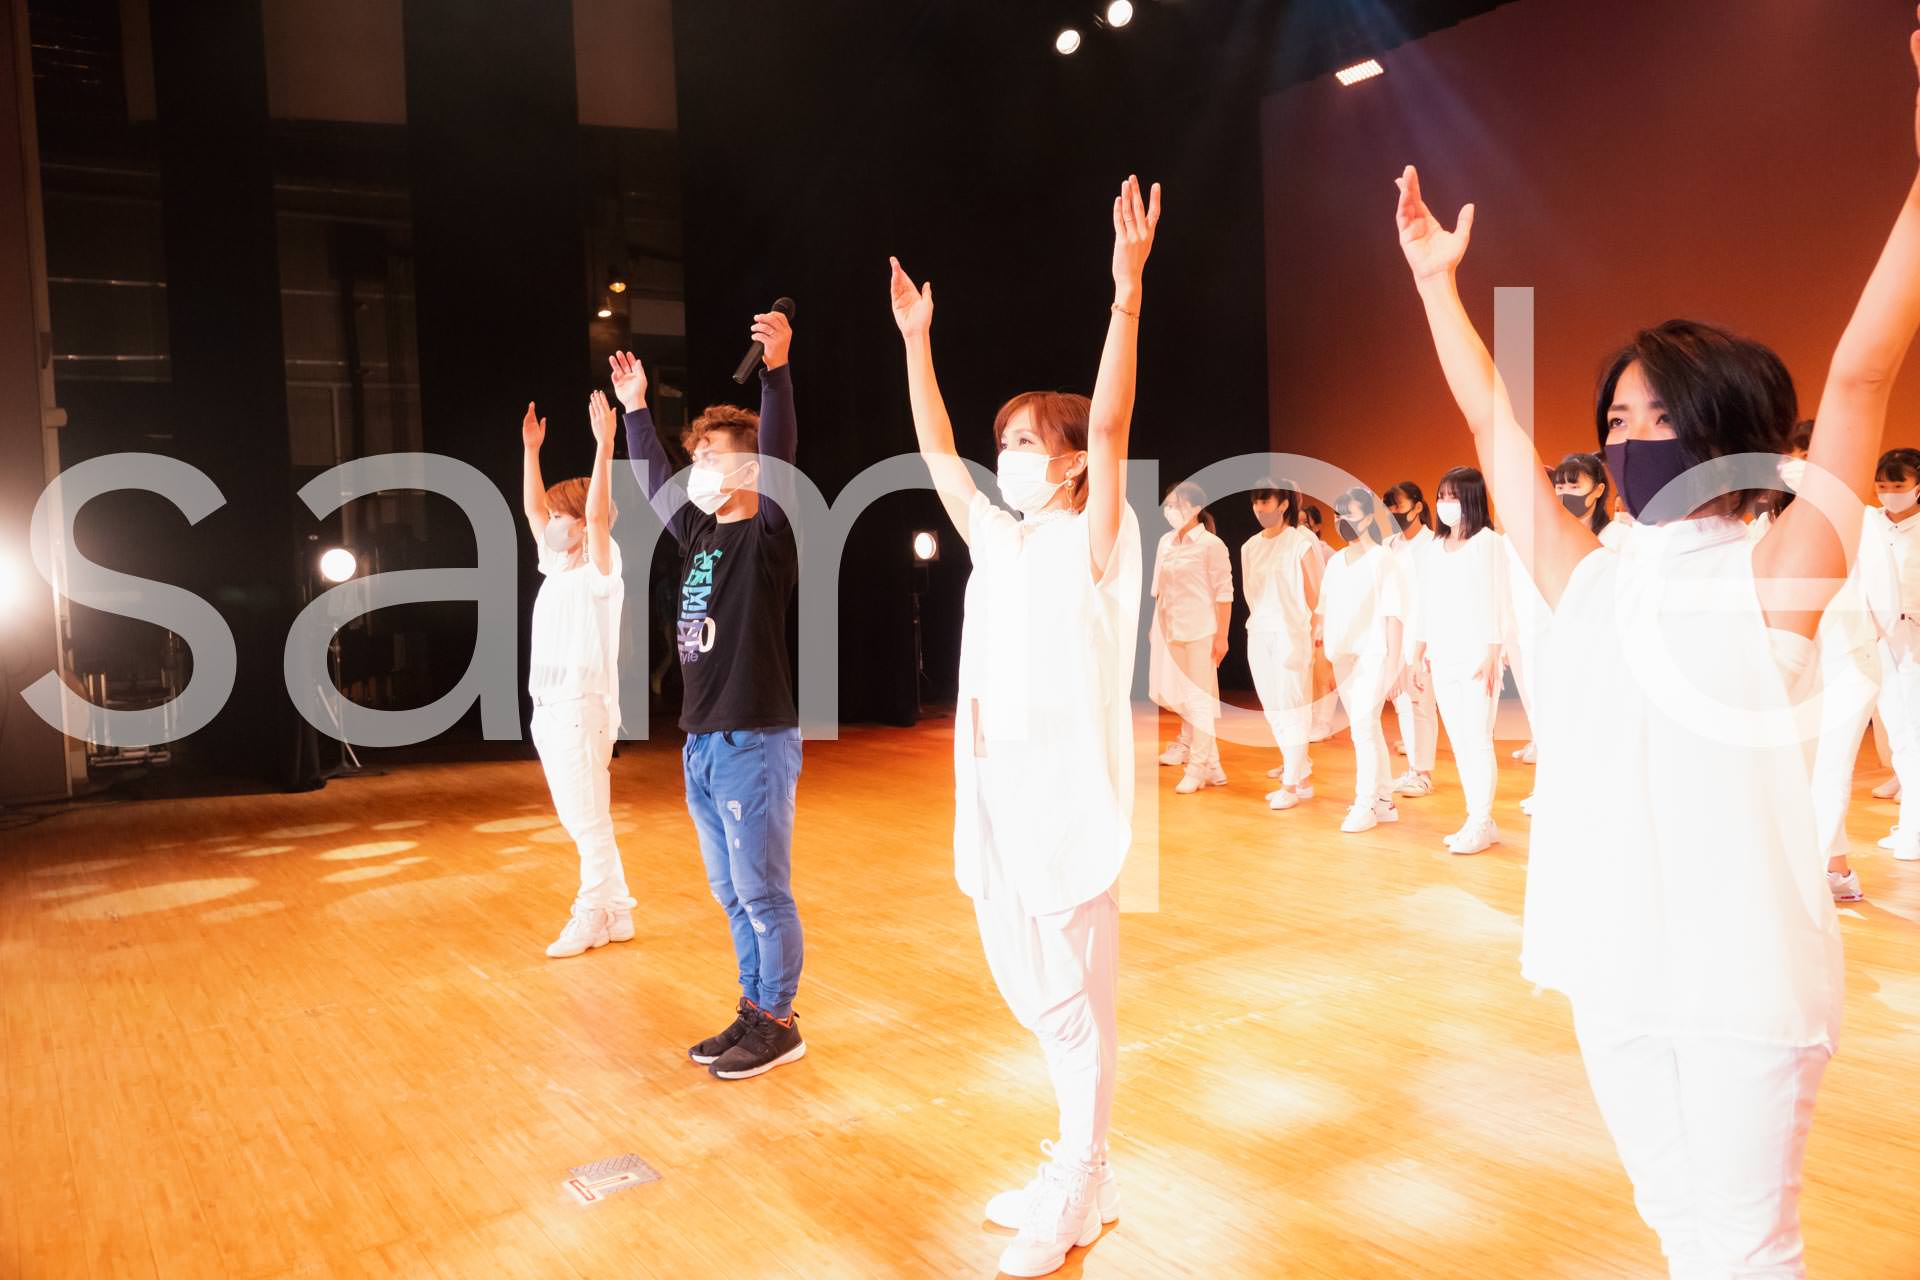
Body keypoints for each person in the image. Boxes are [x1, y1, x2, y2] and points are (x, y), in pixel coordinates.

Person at [1392, 18, 1920, 1265]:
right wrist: (1432, 282)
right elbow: (1493, 421)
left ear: (1724, 428)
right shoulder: (1592, 580)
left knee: (1749, 1247)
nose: (1627, 438)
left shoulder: (1776, 572)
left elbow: (1860, 373)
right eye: (1615, 418)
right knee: (1681, 1230)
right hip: (1611, 963)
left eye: (1655, 415)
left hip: (1743, 981)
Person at [889, 174, 1158, 1279]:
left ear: (1073, 461)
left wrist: (1125, 294)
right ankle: (1085, 1168)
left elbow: (1113, 418)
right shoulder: (998, 538)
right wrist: (918, 343)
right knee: (1032, 988)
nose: (1008, 453)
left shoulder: (1097, 540)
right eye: (1005, 439)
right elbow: (935, 448)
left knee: (1074, 1000)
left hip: (1066, 797)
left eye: (1028, 440)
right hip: (995, 788)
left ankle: (1082, 1175)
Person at [610, 307, 807, 1082]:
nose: (696, 467)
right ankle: (754, 1009)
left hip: (753, 737)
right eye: (694, 456)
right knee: (732, 894)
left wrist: (777, 371)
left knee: (763, 893)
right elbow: (656, 483)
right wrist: (636, 411)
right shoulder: (700, 535)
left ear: (749, 471)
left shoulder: (768, 533)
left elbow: (781, 453)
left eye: (712, 456)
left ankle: (780, 1022)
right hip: (701, 742)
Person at [520, 392, 635, 958]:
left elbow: (594, 515)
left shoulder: (601, 567)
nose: (551, 523)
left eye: (561, 516)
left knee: (585, 819)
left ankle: (591, 913)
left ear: (583, 524)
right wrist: (530, 452)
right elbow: (532, 512)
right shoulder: (557, 567)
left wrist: (605, 448)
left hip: (580, 706)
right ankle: (618, 911)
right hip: (551, 707)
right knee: (584, 817)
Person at [1410, 466, 1505, 853]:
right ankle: (1478, 819)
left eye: (1453, 496)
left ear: (1472, 499)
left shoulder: (1488, 543)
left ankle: (1480, 820)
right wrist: (1417, 652)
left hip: (1477, 656)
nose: (1445, 503)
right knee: (1461, 743)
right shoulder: (1434, 547)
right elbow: (1424, 602)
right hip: (1443, 655)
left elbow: (1497, 598)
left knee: (1478, 739)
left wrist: (1494, 651)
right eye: (1441, 496)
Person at [1318, 487, 1407, 834]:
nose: (1342, 521)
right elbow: (1324, 611)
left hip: (1373, 655)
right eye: (1338, 515)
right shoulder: (1335, 562)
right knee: (1368, 728)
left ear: (1369, 518)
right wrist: (1324, 656)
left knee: (1362, 729)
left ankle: (1364, 803)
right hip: (1342, 656)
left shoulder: (1383, 560)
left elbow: (1394, 615)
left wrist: (1394, 666)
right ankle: (1383, 800)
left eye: (1350, 514)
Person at [1150, 482, 1234, 794]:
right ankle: (1213, 765)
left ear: (1196, 508)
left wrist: (1222, 636)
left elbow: (1224, 593)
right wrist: (1157, 629)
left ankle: (1197, 768)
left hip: (1201, 631)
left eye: (1178, 504)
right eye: (1169, 504)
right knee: (1186, 700)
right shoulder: (1165, 542)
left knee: (1199, 701)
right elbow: (1160, 590)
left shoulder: (1211, 544)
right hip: (1172, 630)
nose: (1171, 510)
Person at [1243, 478, 1323, 810]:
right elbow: (1251, 594)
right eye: (1256, 502)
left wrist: (1315, 636)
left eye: (1266, 501)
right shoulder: (1250, 546)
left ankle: (1289, 785)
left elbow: (1317, 596)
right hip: (1260, 632)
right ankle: (1301, 778)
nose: (1260, 508)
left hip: (1292, 633)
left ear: (1284, 504)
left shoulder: (1300, 542)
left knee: (1293, 707)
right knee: (1273, 708)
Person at [1872, 447, 1920, 862]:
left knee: (1915, 734)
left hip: (1916, 636)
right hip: (1883, 638)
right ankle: (1911, 824)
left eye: (1898, 485)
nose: (1889, 493)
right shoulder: (1870, 524)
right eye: (1882, 486)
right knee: (1900, 735)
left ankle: (1914, 831)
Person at [1382, 481, 1438, 797]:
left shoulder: (1433, 544)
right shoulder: (1389, 545)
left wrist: (1421, 645)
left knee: (1421, 703)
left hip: (1423, 636)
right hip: (1395, 634)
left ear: (1417, 507)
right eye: (1389, 507)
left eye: (1399, 506)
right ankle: (1413, 768)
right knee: (1402, 703)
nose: (1394, 512)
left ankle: (1424, 773)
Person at [1302, 504, 1340, 741]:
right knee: (1308, 675)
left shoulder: (1328, 553)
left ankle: (1324, 722)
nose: (1301, 527)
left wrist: (1324, 622)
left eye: (1305, 522)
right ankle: (1311, 721)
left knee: (1324, 673)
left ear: (1316, 526)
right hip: (1303, 618)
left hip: (1325, 617)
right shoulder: (1294, 546)